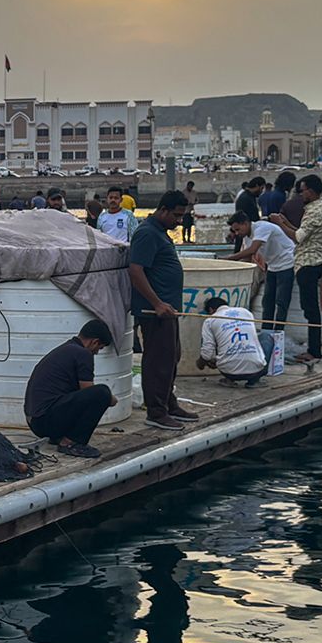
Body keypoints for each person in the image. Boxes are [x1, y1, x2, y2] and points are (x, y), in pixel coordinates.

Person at [128, 190, 197, 430]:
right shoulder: (147, 233)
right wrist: (156, 303)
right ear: (163, 210)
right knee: (158, 360)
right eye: (177, 216)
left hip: (167, 310)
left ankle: (169, 402)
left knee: (171, 356)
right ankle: (156, 411)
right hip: (154, 311)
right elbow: (135, 270)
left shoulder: (160, 232)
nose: (180, 221)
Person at [23, 320, 116, 458]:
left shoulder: (67, 349)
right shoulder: (83, 353)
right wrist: (111, 399)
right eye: (99, 348)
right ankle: (71, 442)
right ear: (94, 342)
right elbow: (88, 391)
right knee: (102, 392)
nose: (96, 352)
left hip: (36, 421)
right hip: (45, 419)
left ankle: (60, 437)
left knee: (93, 394)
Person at [271, 174, 322, 363]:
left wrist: (280, 224)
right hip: (308, 261)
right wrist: (286, 222)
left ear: (311, 191)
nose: (299, 194)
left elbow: (298, 238)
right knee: (309, 308)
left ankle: (314, 351)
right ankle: (314, 349)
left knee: (311, 309)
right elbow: (301, 232)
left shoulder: (314, 211)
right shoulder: (314, 208)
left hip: (309, 263)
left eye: (302, 190)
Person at [226, 211, 295, 339]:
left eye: (237, 229)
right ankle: (266, 334)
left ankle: (278, 335)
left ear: (245, 224)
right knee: (267, 301)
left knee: (281, 302)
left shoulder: (262, 227)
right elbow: (247, 257)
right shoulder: (247, 237)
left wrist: (229, 258)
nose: (237, 233)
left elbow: (253, 250)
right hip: (272, 266)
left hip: (286, 263)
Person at [197, 297, 267, 387]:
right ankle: (254, 381)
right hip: (256, 370)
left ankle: (229, 380)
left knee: (221, 340)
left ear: (211, 310)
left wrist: (201, 364)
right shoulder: (246, 313)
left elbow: (207, 353)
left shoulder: (210, 321)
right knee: (266, 337)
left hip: (229, 372)